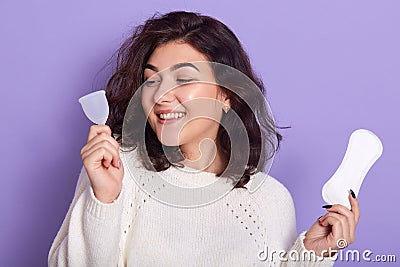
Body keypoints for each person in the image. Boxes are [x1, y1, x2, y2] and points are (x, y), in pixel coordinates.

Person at [48, 11, 360, 266]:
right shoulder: (117, 170)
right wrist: (103, 200)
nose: (161, 96)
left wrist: (313, 255)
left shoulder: (271, 200)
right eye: (151, 80)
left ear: (226, 94)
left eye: (183, 79)